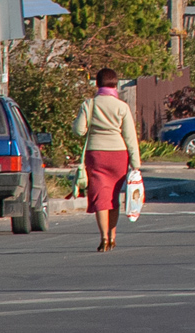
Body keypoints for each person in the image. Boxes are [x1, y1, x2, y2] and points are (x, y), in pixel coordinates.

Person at [73, 68, 141, 252]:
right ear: (116, 84)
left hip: (96, 155)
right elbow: (130, 137)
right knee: (113, 197)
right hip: (119, 155)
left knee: (100, 197)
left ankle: (103, 237)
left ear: (97, 84)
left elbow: (79, 130)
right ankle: (113, 236)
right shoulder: (122, 107)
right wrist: (136, 164)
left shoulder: (89, 104)